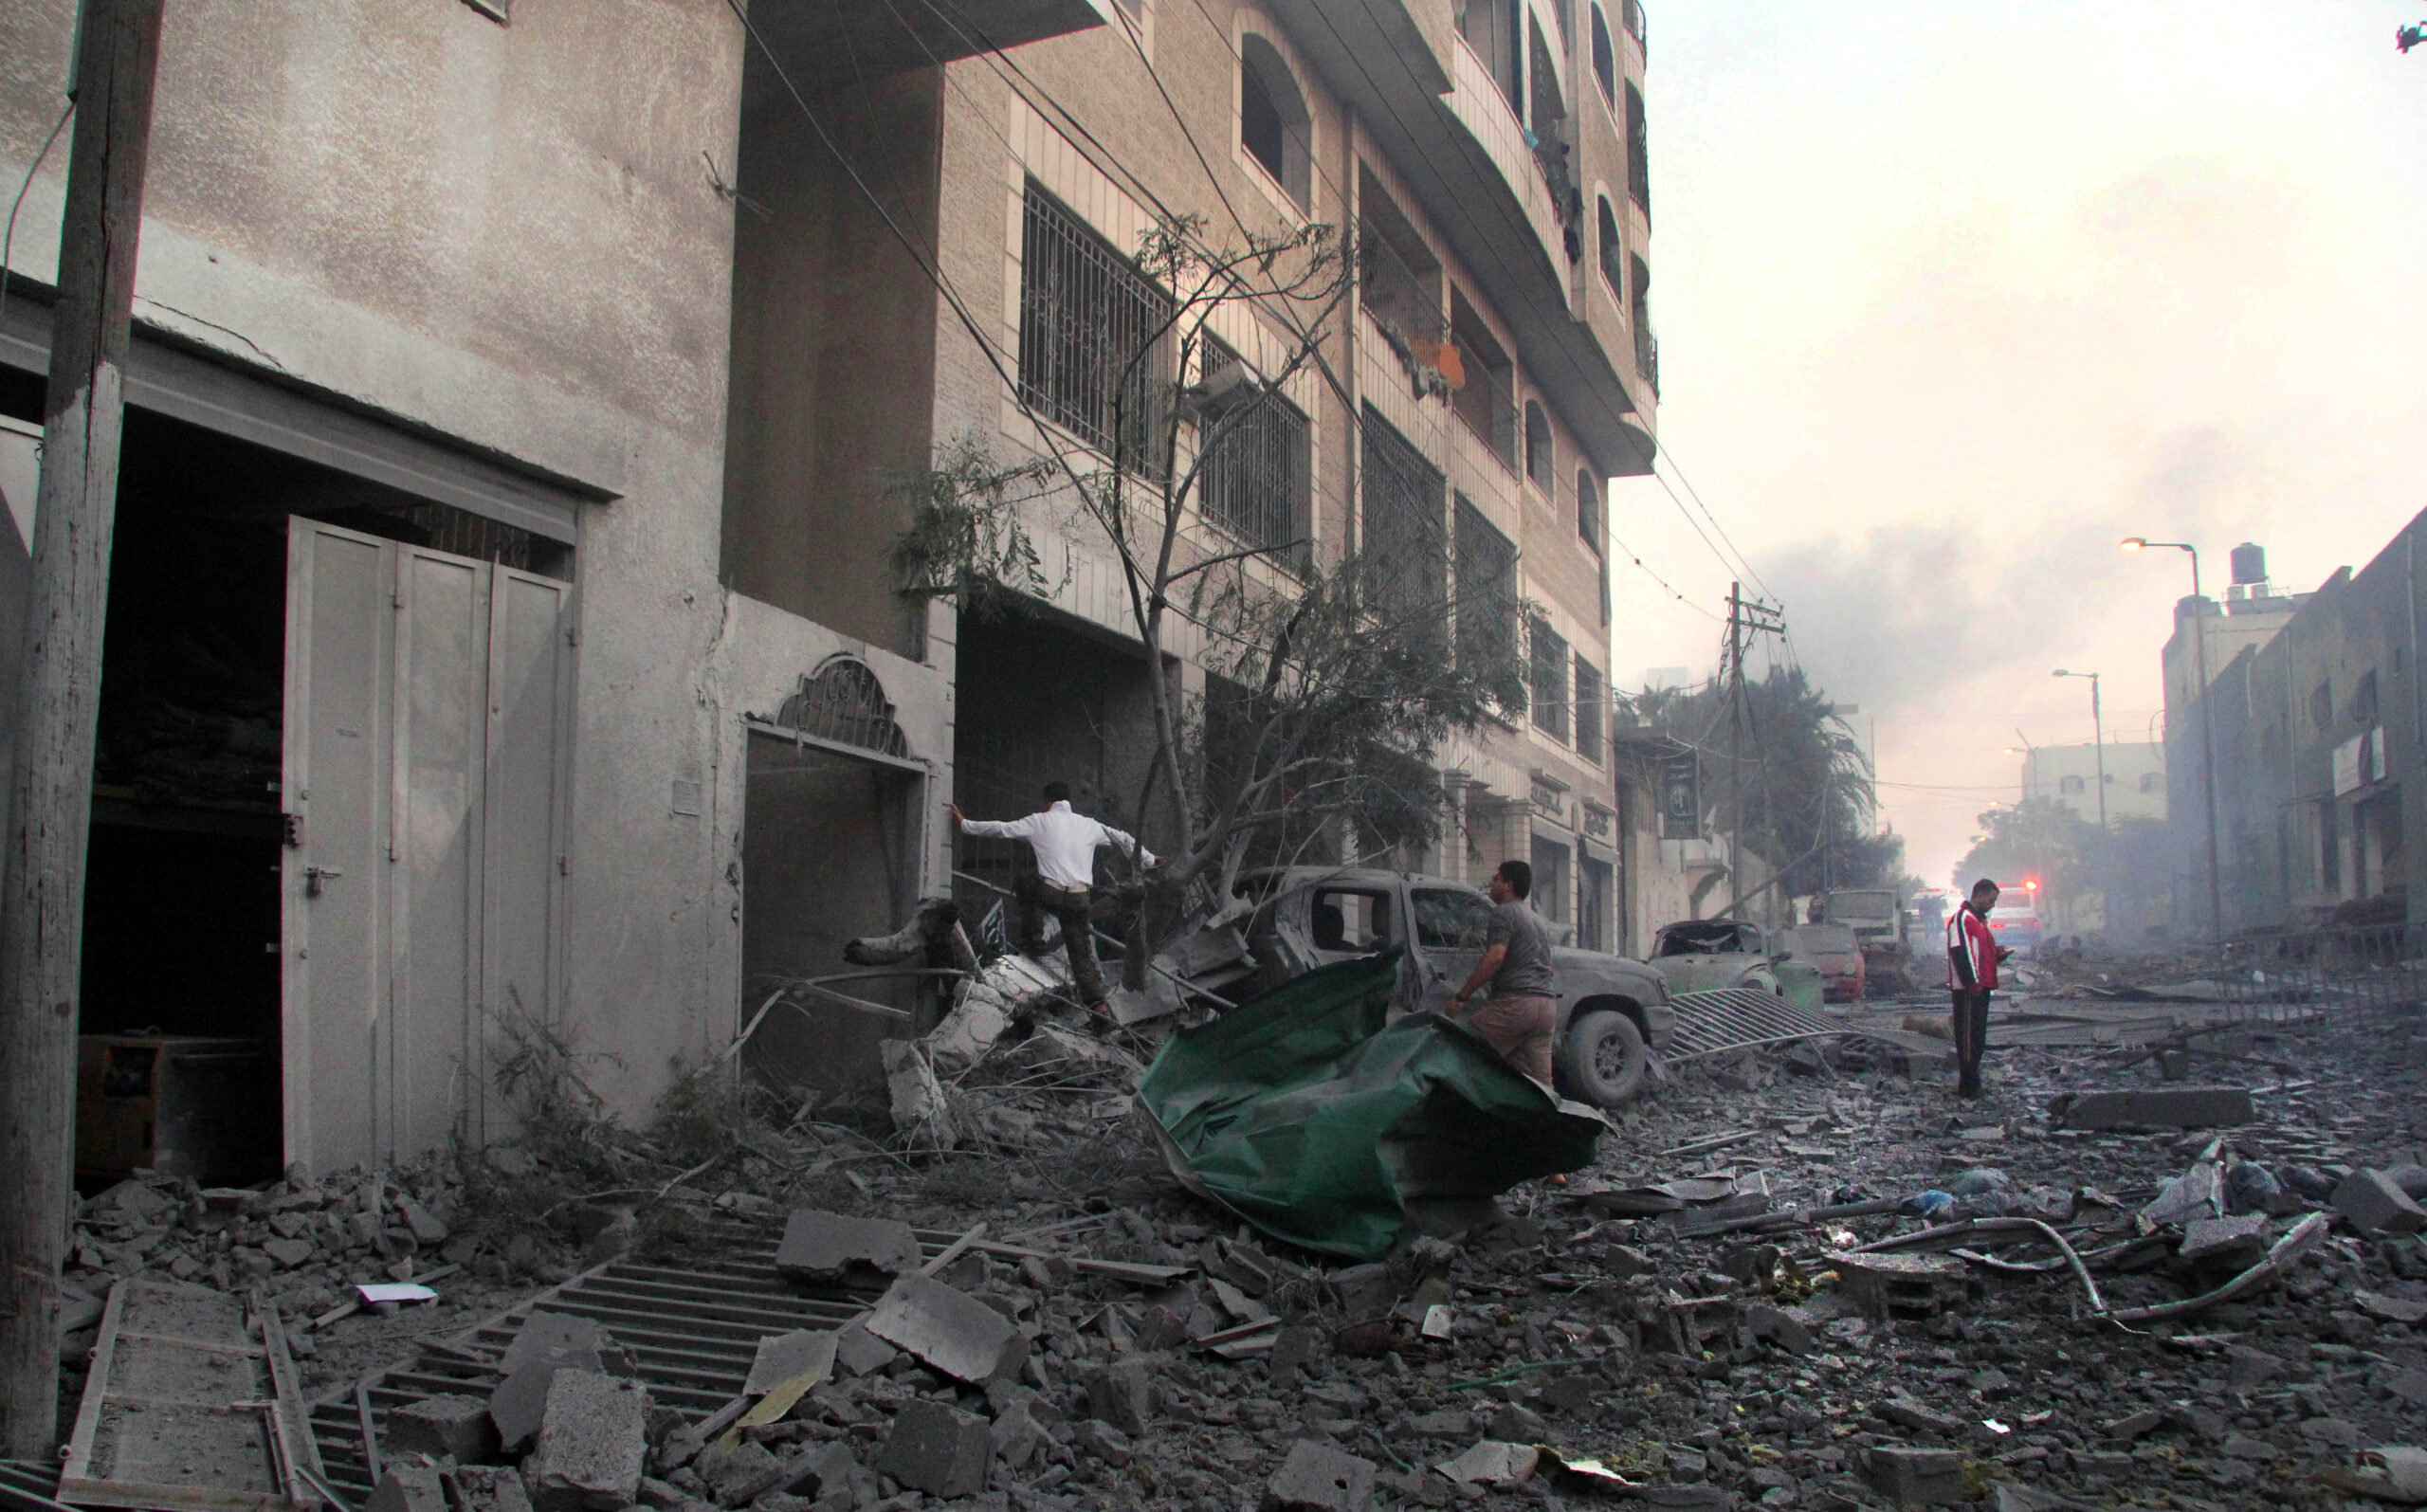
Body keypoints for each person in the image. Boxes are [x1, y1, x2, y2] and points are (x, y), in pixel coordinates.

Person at [953, 783, 1155, 1016]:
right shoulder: (1088, 825)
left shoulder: (1039, 821)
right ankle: (1098, 1008)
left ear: (1048, 802)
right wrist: (1150, 859)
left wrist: (965, 824)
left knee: (1025, 882)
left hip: (1051, 894)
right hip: (1079, 899)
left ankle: (1034, 939)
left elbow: (1002, 829)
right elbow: (1122, 838)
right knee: (1080, 953)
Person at [1446, 860, 1559, 1086]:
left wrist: (1461, 997)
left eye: (1497, 878)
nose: (1492, 882)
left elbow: (1495, 957)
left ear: (1508, 885)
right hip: (1546, 1008)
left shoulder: (1503, 913)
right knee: (1539, 1085)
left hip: (1515, 1006)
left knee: (1463, 1046)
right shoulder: (1537, 920)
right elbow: (1549, 968)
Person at [1945, 877, 2014, 1098]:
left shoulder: (1979, 922)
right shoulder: (1962, 919)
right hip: (1968, 990)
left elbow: (1979, 954)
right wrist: (1971, 983)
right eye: (1991, 900)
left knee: (1977, 1037)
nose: (1992, 905)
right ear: (1980, 895)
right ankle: (1968, 1085)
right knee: (1967, 1038)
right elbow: (1960, 952)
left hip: (1982, 987)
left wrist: (1997, 955)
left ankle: (1973, 1082)